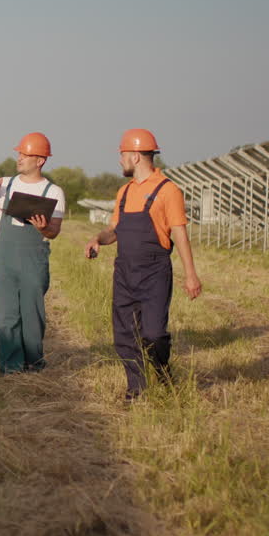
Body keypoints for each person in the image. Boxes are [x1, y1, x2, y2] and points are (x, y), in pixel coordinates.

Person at [85, 128, 202, 401]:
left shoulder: (168, 190)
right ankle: (136, 388)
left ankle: (162, 370)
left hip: (154, 271)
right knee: (125, 335)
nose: (120, 160)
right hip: (124, 270)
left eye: (123, 155)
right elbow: (114, 230)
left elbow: (180, 234)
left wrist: (191, 275)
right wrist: (98, 239)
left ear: (135, 156)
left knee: (154, 334)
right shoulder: (124, 192)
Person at [0, 132, 65, 374]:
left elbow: (54, 232)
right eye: (19, 153)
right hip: (4, 259)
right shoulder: (5, 184)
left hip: (33, 260)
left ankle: (34, 363)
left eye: (25, 154)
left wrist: (43, 227)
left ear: (40, 160)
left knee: (32, 315)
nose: (19, 158)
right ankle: (11, 367)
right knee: (5, 314)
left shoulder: (53, 192)